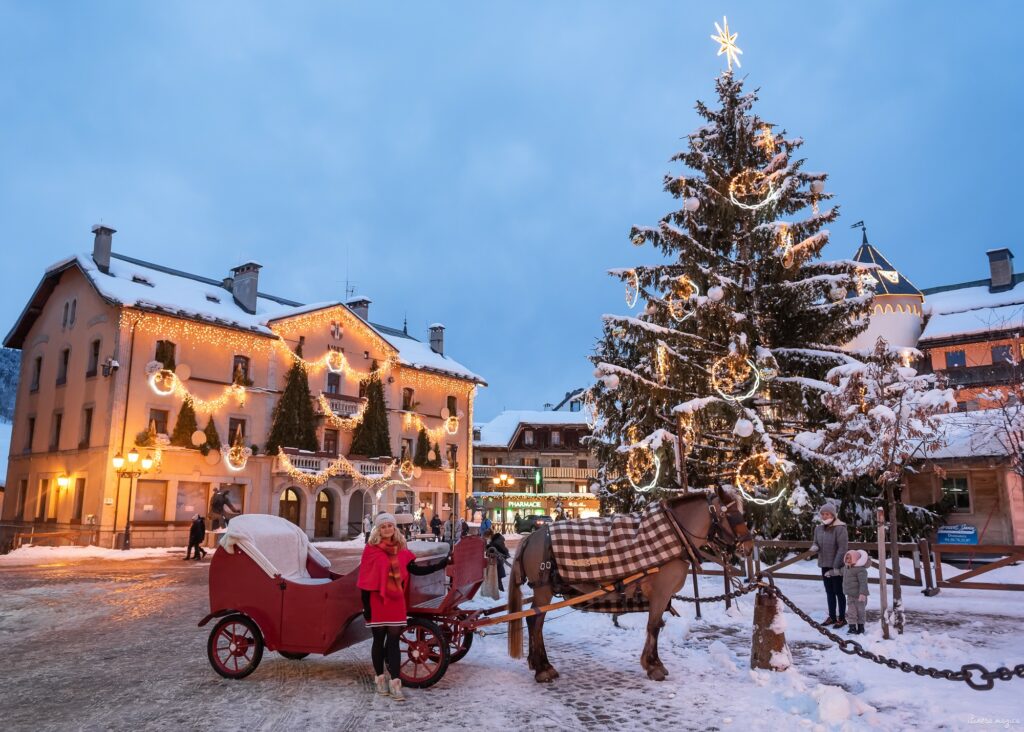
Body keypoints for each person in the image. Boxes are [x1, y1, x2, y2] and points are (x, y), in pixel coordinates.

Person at [357, 513, 448, 702]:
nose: (387, 529)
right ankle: (380, 679)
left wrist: (439, 566)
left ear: (394, 528)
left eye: (390, 525)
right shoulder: (371, 550)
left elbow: (414, 570)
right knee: (378, 641)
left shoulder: (402, 550)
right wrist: (366, 606)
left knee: (393, 642)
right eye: (383, 527)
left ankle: (396, 683)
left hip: (395, 601)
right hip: (377, 600)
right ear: (378, 530)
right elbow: (365, 580)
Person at [809, 503, 849, 628]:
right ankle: (832, 617)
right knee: (829, 592)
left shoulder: (840, 528)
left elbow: (842, 548)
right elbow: (816, 542)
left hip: (837, 566)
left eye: (827, 514)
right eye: (823, 514)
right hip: (824, 564)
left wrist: (835, 566)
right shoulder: (818, 529)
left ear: (833, 515)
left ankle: (842, 618)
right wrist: (815, 547)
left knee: (839, 592)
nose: (825, 516)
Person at [842, 549, 870, 635]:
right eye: (846, 558)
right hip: (850, 595)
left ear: (855, 559)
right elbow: (839, 571)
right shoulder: (846, 568)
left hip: (859, 596)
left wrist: (862, 593)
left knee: (860, 612)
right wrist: (831, 572)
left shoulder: (861, 570)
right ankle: (852, 627)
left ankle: (861, 627)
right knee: (851, 612)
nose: (847, 560)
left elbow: (863, 583)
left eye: (849, 558)